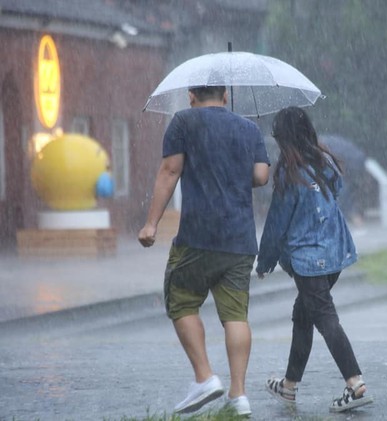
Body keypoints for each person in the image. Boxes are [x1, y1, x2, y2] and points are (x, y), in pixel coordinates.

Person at [137, 85, 270, 417]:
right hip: (239, 239)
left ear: (192, 95)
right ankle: (239, 396)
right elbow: (261, 176)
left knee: (180, 298)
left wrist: (151, 223)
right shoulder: (249, 128)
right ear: (225, 97)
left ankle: (204, 378)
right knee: (236, 315)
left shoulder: (184, 122)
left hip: (198, 235)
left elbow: (170, 170)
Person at [255, 107, 374, 413]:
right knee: (304, 315)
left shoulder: (288, 172)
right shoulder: (325, 161)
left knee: (324, 318)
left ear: (282, 138)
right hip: (335, 253)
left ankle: (355, 384)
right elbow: (336, 191)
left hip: (309, 260)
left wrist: (265, 261)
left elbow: (277, 223)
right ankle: (289, 387)